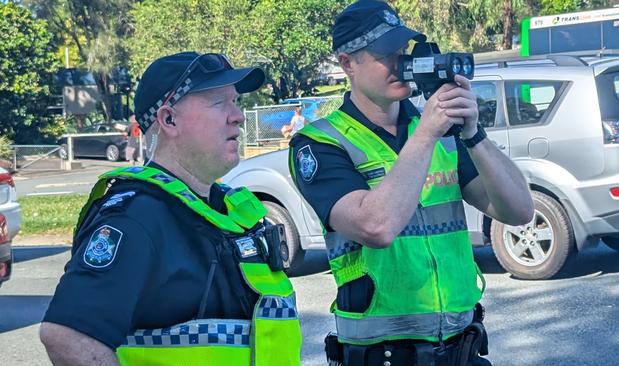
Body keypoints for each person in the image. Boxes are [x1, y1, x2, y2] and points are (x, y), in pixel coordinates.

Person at [289, 1, 534, 365]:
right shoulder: (321, 143)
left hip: (461, 348)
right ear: (347, 64)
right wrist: (426, 133)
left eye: (402, 51)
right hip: (382, 355)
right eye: (385, 54)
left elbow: (519, 211)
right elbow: (376, 226)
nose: (401, 64)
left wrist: (473, 133)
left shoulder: (441, 132)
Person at [40, 52, 302, 366]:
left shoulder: (231, 210)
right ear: (169, 120)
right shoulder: (137, 215)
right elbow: (67, 336)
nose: (238, 116)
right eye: (219, 103)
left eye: (236, 102)